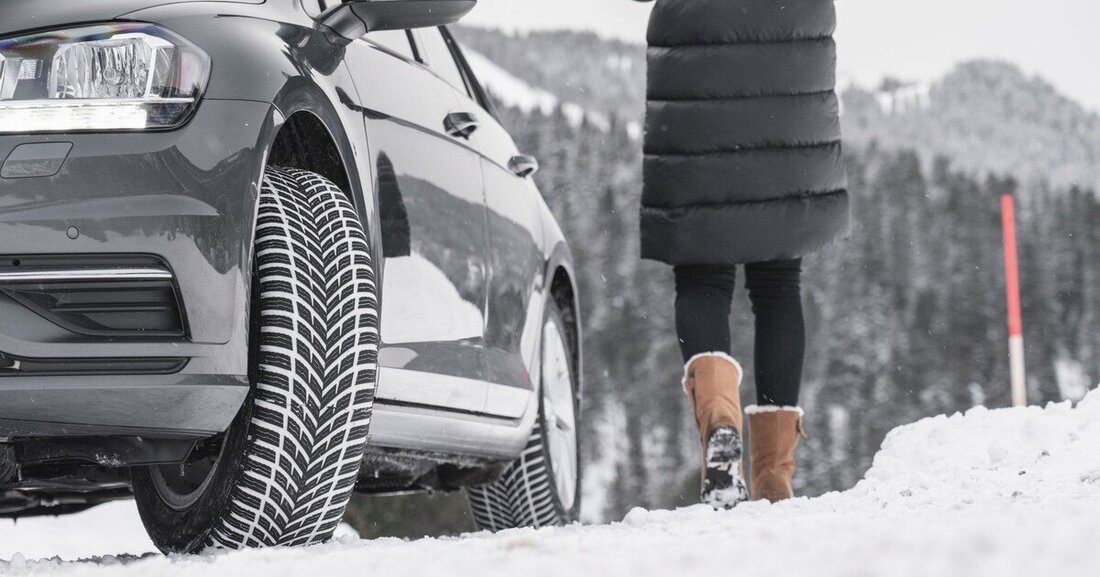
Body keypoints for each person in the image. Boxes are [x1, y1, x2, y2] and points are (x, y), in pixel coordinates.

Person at [638, 0, 849, 508]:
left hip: (697, 94)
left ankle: (720, 421)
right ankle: (773, 478)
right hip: (786, 86)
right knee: (777, 284)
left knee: (702, 279)